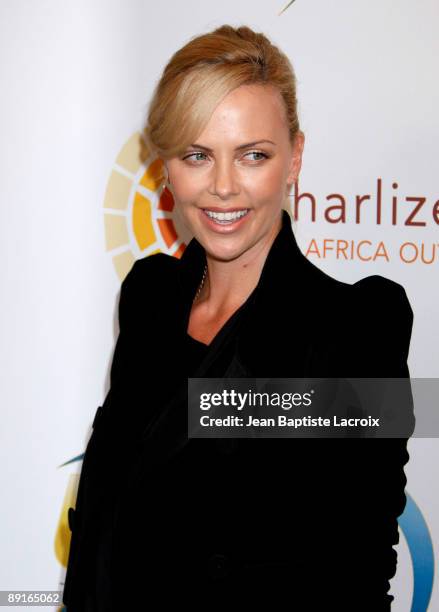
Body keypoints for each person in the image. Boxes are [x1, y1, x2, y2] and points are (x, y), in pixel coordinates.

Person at [62, 24, 415, 611]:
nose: (224, 188)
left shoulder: (359, 327)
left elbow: (360, 573)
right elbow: (108, 520)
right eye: (197, 155)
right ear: (166, 168)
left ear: (295, 158)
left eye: (254, 155)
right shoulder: (148, 298)